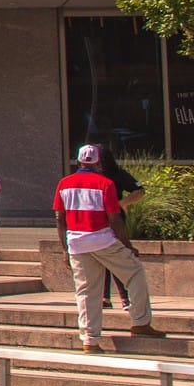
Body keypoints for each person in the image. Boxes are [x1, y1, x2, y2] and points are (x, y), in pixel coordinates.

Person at [54, 143, 165, 353]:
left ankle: (90, 340)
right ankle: (140, 322)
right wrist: (128, 246)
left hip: (77, 242)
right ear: (97, 162)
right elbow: (114, 219)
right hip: (103, 239)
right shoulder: (105, 183)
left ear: (78, 161)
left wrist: (64, 249)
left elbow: (60, 219)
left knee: (86, 291)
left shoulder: (64, 184)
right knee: (135, 272)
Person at [92, 143, 145, 309]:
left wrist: (121, 204)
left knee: (118, 259)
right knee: (101, 262)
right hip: (96, 223)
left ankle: (125, 297)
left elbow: (139, 191)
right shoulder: (90, 177)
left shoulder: (117, 174)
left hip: (115, 222)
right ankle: (104, 298)